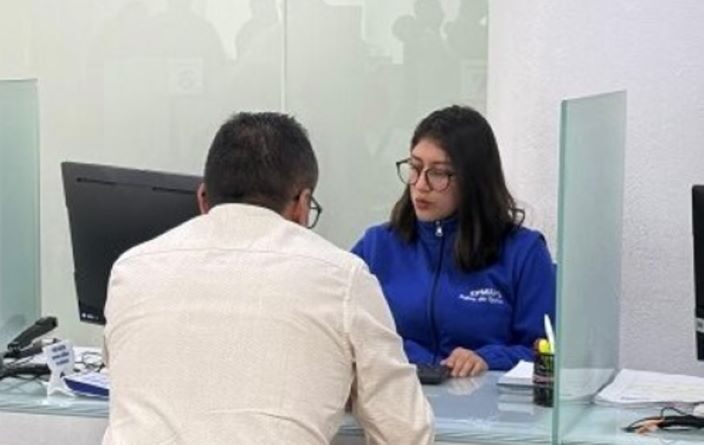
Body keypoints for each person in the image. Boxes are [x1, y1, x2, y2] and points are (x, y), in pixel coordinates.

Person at [103, 112, 433, 445]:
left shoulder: (131, 270)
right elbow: (404, 432)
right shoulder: (343, 278)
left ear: (203, 198)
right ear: (303, 204)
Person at [352, 105, 555, 377]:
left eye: (438, 173)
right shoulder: (377, 246)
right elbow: (340, 326)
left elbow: (544, 350)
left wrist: (488, 358)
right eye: (415, 168)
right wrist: (400, 353)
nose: (421, 185)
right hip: (397, 395)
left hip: (485, 400)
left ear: (473, 180)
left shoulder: (524, 253)